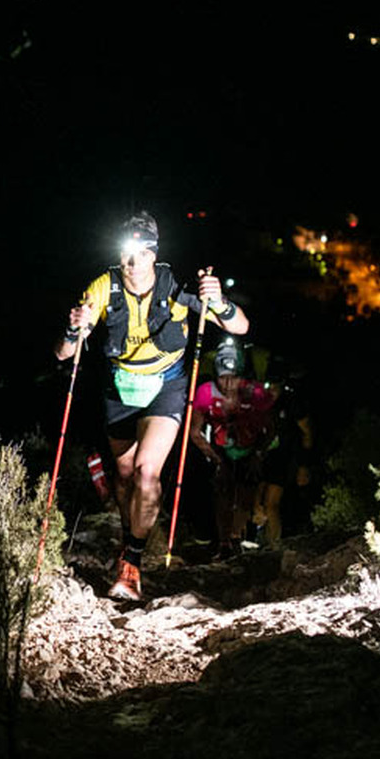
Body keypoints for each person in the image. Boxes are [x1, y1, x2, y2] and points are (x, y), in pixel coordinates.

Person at [55, 212, 248, 600]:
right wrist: (74, 328)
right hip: (120, 389)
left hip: (166, 386)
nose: (133, 262)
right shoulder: (103, 287)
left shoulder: (176, 284)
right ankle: (130, 538)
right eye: (126, 253)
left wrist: (219, 302)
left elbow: (240, 326)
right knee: (125, 475)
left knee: (146, 473)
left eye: (142, 253)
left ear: (154, 254)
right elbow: (63, 353)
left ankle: (131, 565)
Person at [189, 339, 278, 557]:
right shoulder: (205, 393)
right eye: (223, 378)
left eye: (234, 377)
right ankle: (224, 542)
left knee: (246, 493)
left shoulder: (255, 393)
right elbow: (194, 432)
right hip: (219, 449)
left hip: (250, 446)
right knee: (223, 491)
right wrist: (215, 459)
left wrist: (258, 453)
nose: (228, 383)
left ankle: (236, 537)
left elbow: (271, 429)